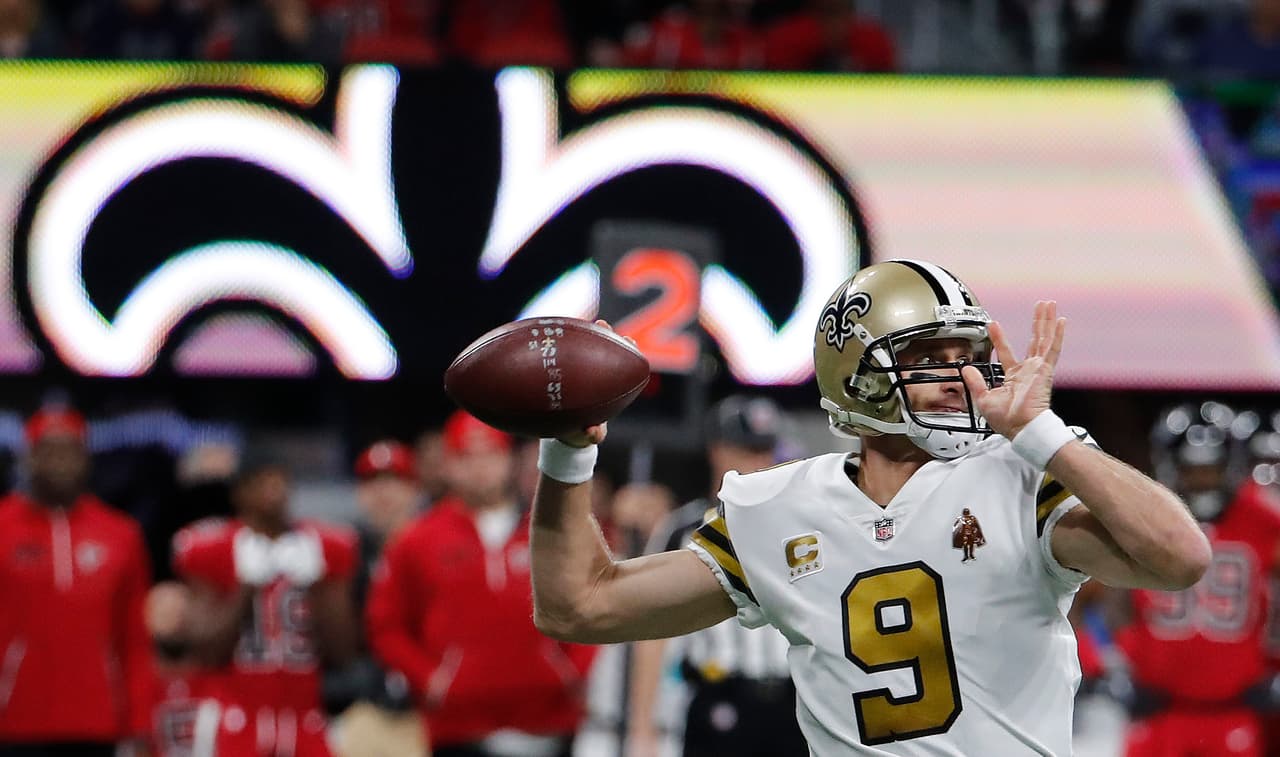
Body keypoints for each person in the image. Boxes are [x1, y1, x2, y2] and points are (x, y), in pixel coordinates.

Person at [529, 258, 1211, 755]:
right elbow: (579, 605)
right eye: (929, 357)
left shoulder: (1019, 476)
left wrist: (1043, 434)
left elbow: (1180, 557)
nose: (961, 377)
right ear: (857, 376)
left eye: (966, 353)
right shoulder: (778, 508)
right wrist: (567, 455)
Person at [366, 411, 597, 757]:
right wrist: (431, 681)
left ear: (509, 459)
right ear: (447, 464)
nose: (479, 468)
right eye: (466, 457)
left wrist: (570, 672)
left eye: (489, 454)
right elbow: (385, 626)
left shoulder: (552, 529)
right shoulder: (416, 540)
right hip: (457, 727)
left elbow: (593, 604)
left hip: (548, 720)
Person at [627, 395, 805, 757]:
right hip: (721, 697)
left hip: (794, 700)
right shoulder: (684, 530)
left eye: (763, 451)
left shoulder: (800, 524)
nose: (756, 463)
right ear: (717, 451)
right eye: (744, 450)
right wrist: (641, 726)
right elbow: (653, 633)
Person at [1113, 401, 1280, 757]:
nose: (1202, 479)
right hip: (1158, 708)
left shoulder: (1263, 520)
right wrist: (1109, 659)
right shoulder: (1144, 516)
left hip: (1236, 707)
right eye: (1191, 469)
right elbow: (1102, 592)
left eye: (1212, 469)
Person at [173, 450, 359, 756]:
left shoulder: (322, 546)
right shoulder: (211, 548)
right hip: (235, 715)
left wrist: (318, 585)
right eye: (262, 482)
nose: (274, 492)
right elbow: (205, 652)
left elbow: (343, 653)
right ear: (239, 493)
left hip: (304, 716)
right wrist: (246, 587)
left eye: (280, 481)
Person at [0, 407, 153, 756]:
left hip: (96, 722)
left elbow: (134, 640)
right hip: (13, 722)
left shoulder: (121, 535)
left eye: (69, 451)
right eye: (48, 451)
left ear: (86, 458)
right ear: (29, 458)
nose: (59, 462)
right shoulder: (2, 526)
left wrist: (140, 723)